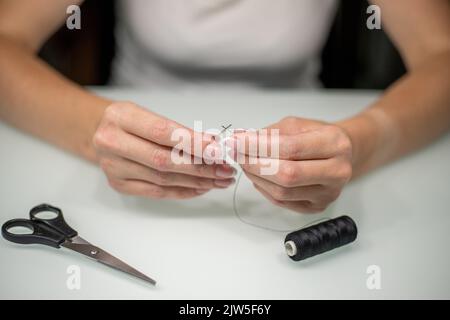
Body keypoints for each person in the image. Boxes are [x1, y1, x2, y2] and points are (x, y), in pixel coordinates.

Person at [0, 0, 449, 213]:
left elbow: (441, 57)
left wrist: (359, 142)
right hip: (120, 166)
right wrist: (93, 129)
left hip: (307, 144)